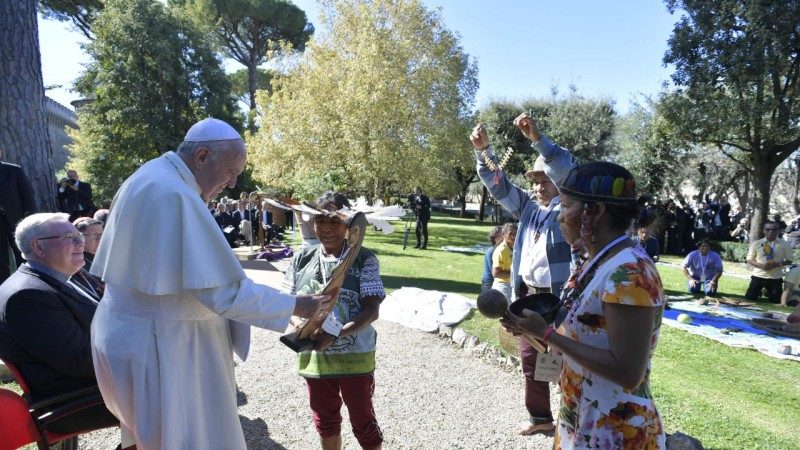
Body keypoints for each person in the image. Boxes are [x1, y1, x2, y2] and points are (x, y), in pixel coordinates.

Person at [89, 117, 332, 450]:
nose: (231, 184)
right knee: (183, 439)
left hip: (137, 332)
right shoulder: (173, 193)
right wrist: (297, 305)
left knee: (149, 437)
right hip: (161, 343)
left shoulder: (152, 176)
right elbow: (223, 292)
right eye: (230, 171)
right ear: (202, 156)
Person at [502, 161, 666, 449]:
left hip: (614, 431)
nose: (559, 217)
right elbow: (579, 342)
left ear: (596, 211)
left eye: (565, 206)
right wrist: (531, 330)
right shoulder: (594, 261)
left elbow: (628, 372)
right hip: (582, 419)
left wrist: (548, 334)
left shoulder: (629, 273)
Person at [470, 113, 577, 435]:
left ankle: (573, 420)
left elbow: (565, 167)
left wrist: (537, 139)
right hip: (528, 296)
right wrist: (482, 151)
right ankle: (541, 419)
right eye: (535, 181)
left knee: (567, 361)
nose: (539, 186)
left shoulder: (571, 211)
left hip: (559, 299)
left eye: (545, 180)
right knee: (531, 360)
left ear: (561, 184)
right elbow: (497, 184)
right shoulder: (528, 208)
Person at [283, 191, 384, 450]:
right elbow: (288, 301)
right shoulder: (301, 258)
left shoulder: (364, 259)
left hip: (355, 356)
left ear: (348, 224)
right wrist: (297, 323)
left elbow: (371, 311)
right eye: (320, 221)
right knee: (325, 421)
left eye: (334, 221)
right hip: (315, 356)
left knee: (363, 421)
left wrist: (336, 334)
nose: (326, 228)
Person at [0, 213, 118, 436]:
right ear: (39, 247)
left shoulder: (68, 275)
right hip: (76, 401)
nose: (80, 242)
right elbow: (82, 362)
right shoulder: (26, 296)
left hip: (99, 386)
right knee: (181, 386)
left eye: (78, 236)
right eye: (69, 237)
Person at [0, 148, 36, 283]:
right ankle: (3, 287)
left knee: (22, 252)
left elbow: (27, 195)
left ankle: (27, 282)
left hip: (16, 219)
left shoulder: (14, 170)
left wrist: (30, 219)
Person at [745, 221, 793, 303]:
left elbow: (790, 260)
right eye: (768, 229)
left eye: (774, 229)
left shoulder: (785, 244)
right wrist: (761, 266)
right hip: (758, 275)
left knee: (776, 301)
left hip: (775, 277)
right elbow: (749, 259)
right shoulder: (756, 243)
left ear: (778, 231)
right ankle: (759, 293)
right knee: (750, 298)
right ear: (763, 230)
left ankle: (766, 293)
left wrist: (777, 264)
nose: (771, 231)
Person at [72, 217, 105, 298]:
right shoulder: (76, 262)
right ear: (79, 237)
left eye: (101, 235)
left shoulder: (105, 257)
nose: (99, 239)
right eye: (94, 235)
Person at [491, 222, 517, 301]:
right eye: (510, 234)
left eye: (515, 234)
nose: (513, 236)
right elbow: (496, 273)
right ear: (503, 235)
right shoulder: (501, 250)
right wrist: (515, 275)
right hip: (502, 287)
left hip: (511, 285)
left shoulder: (514, 248)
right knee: (506, 312)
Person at [481, 226, 503, 293]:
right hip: (489, 283)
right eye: (500, 236)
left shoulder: (502, 250)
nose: (503, 238)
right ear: (495, 238)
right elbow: (494, 271)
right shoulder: (492, 251)